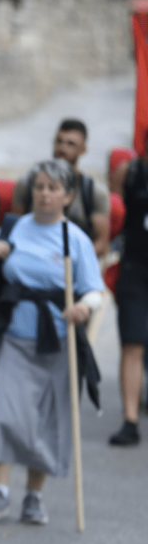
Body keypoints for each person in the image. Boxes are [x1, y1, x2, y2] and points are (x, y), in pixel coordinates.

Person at [0, 159, 104, 525]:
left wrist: (82, 309)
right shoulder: (15, 227)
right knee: (1, 409)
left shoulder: (74, 239)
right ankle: (0, 492)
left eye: (53, 189)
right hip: (11, 335)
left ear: (68, 196)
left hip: (56, 340)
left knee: (46, 418)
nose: (44, 194)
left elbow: (95, 291)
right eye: (40, 187)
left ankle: (34, 495)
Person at [12, 119, 110, 257]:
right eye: (59, 141)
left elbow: (101, 243)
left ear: (83, 150)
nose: (62, 149)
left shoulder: (94, 192)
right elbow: (15, 229)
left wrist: (75, 263)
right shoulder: (27, 184)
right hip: (32, 257)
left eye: (70, 144)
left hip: (74, 264)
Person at [106, 150, 148, 446]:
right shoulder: (129, 173)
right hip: (134, 267)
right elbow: (115, 216)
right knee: (132, 342)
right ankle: (130, 420)